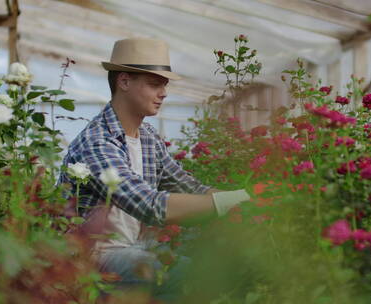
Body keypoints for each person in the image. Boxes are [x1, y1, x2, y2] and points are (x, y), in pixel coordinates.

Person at [57, 38, 251, 301]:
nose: (164, 93)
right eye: (154, 84)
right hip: (93, 256)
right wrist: (228, 201)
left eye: (164, 85)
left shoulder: (147, 137)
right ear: (124, 82)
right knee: (178, 270)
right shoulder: (97, 142)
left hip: (136, 246)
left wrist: (245, 200)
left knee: (220, 258)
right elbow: (150, 205)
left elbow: (189, 186)